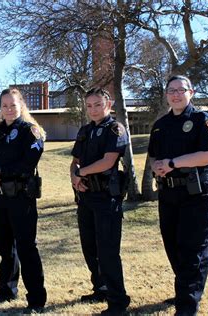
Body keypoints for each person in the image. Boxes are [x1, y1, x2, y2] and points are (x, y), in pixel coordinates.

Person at [148, 75, 208, 315]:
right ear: (166, 94)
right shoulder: (160, 125)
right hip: (169, 193)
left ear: (192, 92)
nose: (176, 95)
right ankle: (185, 292)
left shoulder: (203, 120)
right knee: (173, 247)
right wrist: (157, 166)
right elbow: (154, 157)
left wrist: (172, 162)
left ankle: (187, 306)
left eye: (181, 90)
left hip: (198, 193)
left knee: (193, 249)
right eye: (171, 91)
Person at [0, 88, 47, 312]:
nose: (9, 109)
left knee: (27, 247)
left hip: (21, 198)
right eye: (4, 106)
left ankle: (36, 298)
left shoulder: (31, 131)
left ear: (22, 106)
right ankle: (7, 290)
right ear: (0, 108)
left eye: (13, 105)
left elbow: (27, 164)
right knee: (4, 248)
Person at [69, 88, 131, 315]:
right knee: (90, 248)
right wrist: (75, 178)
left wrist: (81, 172)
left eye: (97, 104)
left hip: (106, 197)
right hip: (85, 196)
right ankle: (100, 288)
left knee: (107, 251)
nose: (93, 109)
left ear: (108, 104)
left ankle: (118, 301)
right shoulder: (85, 130)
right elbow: (74, 161)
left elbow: (108, 161)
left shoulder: (115, 129)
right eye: (89, 106)